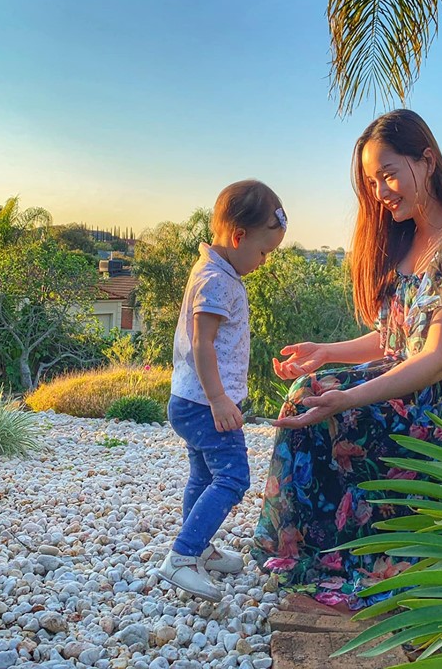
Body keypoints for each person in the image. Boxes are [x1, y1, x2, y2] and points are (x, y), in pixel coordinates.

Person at [252, 109, 442, 610]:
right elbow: (394, 338)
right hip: (414, 385)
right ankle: (310, 550)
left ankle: (350, 557)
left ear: (428, 161)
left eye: (388, 175)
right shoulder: (408, 239)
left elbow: (437, 358)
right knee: (310, 390)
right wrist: (326, 353)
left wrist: (350, 396)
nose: (379, 192)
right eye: (372, 182)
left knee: (330, 403)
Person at [159, 179, 287, 602]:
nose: (265, 261)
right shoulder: (217, 280)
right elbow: (203, 343)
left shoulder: (213, 270)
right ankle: (182, 556)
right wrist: (218, 399)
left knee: (203, 475)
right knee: (232, 478)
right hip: (205, 403)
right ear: (238, 237)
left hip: (190, 400)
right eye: (264, 252)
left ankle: (198, 549)